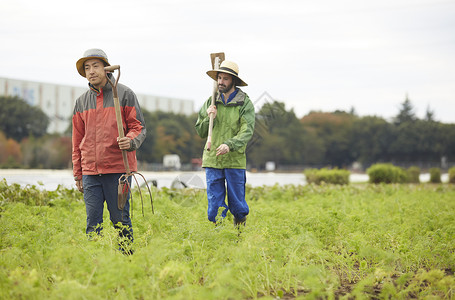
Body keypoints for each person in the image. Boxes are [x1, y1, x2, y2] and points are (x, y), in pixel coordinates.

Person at [72, 48, 146, 253]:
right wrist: (78, 172)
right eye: (87, 68)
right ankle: (96, 266)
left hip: (119, 170)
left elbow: (139, 127)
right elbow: (77, 140)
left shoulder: (124, 94)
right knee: (92, 223)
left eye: (95, 66)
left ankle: (128, 263)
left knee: (120, 220)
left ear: (106, 68)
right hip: (90, 173)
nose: (91, 71)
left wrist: (130, 141)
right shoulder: (81, 102)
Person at [195, 60, 255, 226]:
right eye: (219, 78)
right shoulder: (211, 101)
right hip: (212, 159)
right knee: (215, 205)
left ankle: (238, 234)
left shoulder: (245, 103)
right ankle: (219, 237)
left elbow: (247, 131)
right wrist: (208, 117)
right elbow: (200, 131)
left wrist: (230, 144)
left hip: (235, 160)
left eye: (225, 79)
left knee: (237, 204)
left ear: (233, 81)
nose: (221, 82)